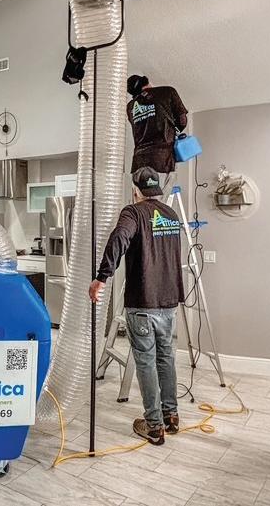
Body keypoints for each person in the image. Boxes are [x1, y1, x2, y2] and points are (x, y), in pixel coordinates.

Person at [89, 166, 184, 445]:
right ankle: (171, 416)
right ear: (157, 189)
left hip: (143, 301)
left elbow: (119, 237)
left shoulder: (133, 212)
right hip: (169, 301)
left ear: (135, 190)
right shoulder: (171, 215)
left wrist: (101, 278)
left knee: (145, 361)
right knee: (166, 357)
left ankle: (154, 426)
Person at [126, 75, 188, 196]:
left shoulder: (130, 107)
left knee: (140, 204)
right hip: (161, 160)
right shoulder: (167, 92)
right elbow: (182, 121)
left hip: (138, 163)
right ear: (147, 82)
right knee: (157, 204)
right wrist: (173, 130)